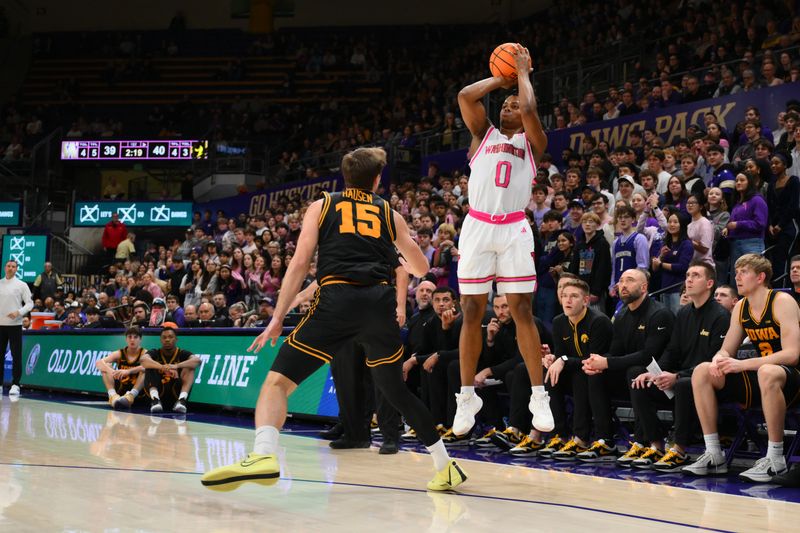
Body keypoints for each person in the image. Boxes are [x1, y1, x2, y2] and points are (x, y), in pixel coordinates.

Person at [201, 147, 468, 492]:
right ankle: (444, 465)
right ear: (376, 181)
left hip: (338, 300)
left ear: (344, 177)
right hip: (378, 305)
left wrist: (278, 317)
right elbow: (419, 268)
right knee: (396, 391)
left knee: (277, 383)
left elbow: (298, 264)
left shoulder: (323, 204)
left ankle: (265, 454)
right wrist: (399, 246)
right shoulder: (390, 213)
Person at [453, 44, 553, 438]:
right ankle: (466, 397)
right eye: (506, 103)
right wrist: (503, 76)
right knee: (471, 310)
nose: (511, 106)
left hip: (513, 227)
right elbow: (465, 95)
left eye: (515, 102)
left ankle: (538, 393)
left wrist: (523, 75)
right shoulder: (482, 135)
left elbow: (530, 111)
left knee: (522, 309)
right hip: (477, 226)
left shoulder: (532, 142)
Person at [685, 254, 800, 482]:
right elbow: (727, 349)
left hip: (791, 378)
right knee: (702, 371)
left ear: (760, 277)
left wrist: (742, 364)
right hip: (762, 378)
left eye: (743, 272)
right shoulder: (740, 308)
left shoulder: (782, 301)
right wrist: (719, 359)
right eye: (736, 271)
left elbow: (792, 355)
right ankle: (714, 453)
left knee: (768, 371)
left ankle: (776, 458)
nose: (737, 276)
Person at [628, 262, 729, 471]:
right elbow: (672, 351)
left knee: (684, 383)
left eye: (696, 276)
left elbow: (714, 362)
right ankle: (655, 445)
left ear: (709, 283)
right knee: (638, 377)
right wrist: (654, 373)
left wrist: (676, 375)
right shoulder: (683, 313)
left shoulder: (720, 316)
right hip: (679, 378)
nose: (689, 280)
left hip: (708, 384)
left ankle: (679, 449)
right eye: (687, 275)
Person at [581, 269, 674, 464]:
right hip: (630, 379)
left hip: (662, 379)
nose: (623, 285)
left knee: (635, 371)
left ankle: (647, 442)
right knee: (595, 374)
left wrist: (608, 362)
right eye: (621, 281)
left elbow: (649, 356)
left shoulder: (660, 313)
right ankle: (605, 440)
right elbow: (615, 352)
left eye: (629, 281)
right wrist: (597, 363)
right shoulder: (622, 315)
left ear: (644, 287)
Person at [537, 278, 613, 459]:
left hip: (603, 374)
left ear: (586, 300)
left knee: (582, 374)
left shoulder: (599, 321)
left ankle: (582, 438)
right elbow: (562, 353)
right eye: (564, 296)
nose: (567, 300)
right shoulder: (558, 321)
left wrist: (562, 359)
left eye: (573, 296)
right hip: (576, 370)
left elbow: (593, 361)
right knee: (549, 373)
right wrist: (552, 358)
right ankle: (560, 435)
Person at [140, 326, 200, 414]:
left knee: (190, 367)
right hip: (159, 391)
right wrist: (162, 367)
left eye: (170, 337)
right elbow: (143, 360)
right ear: (160, 340)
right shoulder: (155, 352)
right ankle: (155, 400)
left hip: (175, 392)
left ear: (176, 339)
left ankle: (182, 400)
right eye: (164, 337)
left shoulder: (182, 353)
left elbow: (197, 361)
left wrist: (176, 366)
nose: (167, 340)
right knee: (149, 365)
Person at [0, 260, 33, 395]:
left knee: (16, 355)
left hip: (15, 325)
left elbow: (29, 304)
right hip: (0, 325)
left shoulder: (21, 285)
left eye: (13, 266)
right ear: (4, 268)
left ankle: (15, 384)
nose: (11, 268)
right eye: (8, 266)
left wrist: (18, 312)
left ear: (16, 269)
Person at [95, 326, 146, 408]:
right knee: (106, 366)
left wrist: (128, 371)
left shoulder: (145, 353)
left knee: (146, 370)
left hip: (137, 390)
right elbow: (99, 363)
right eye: (129, 337)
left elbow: (149, 367)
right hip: (121, 388)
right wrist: (112, 372)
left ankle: (131, 395)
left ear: (140, 339)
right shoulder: (119, 353)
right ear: (126, 339)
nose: (132, 340)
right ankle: (112, 396)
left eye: (135, 337)